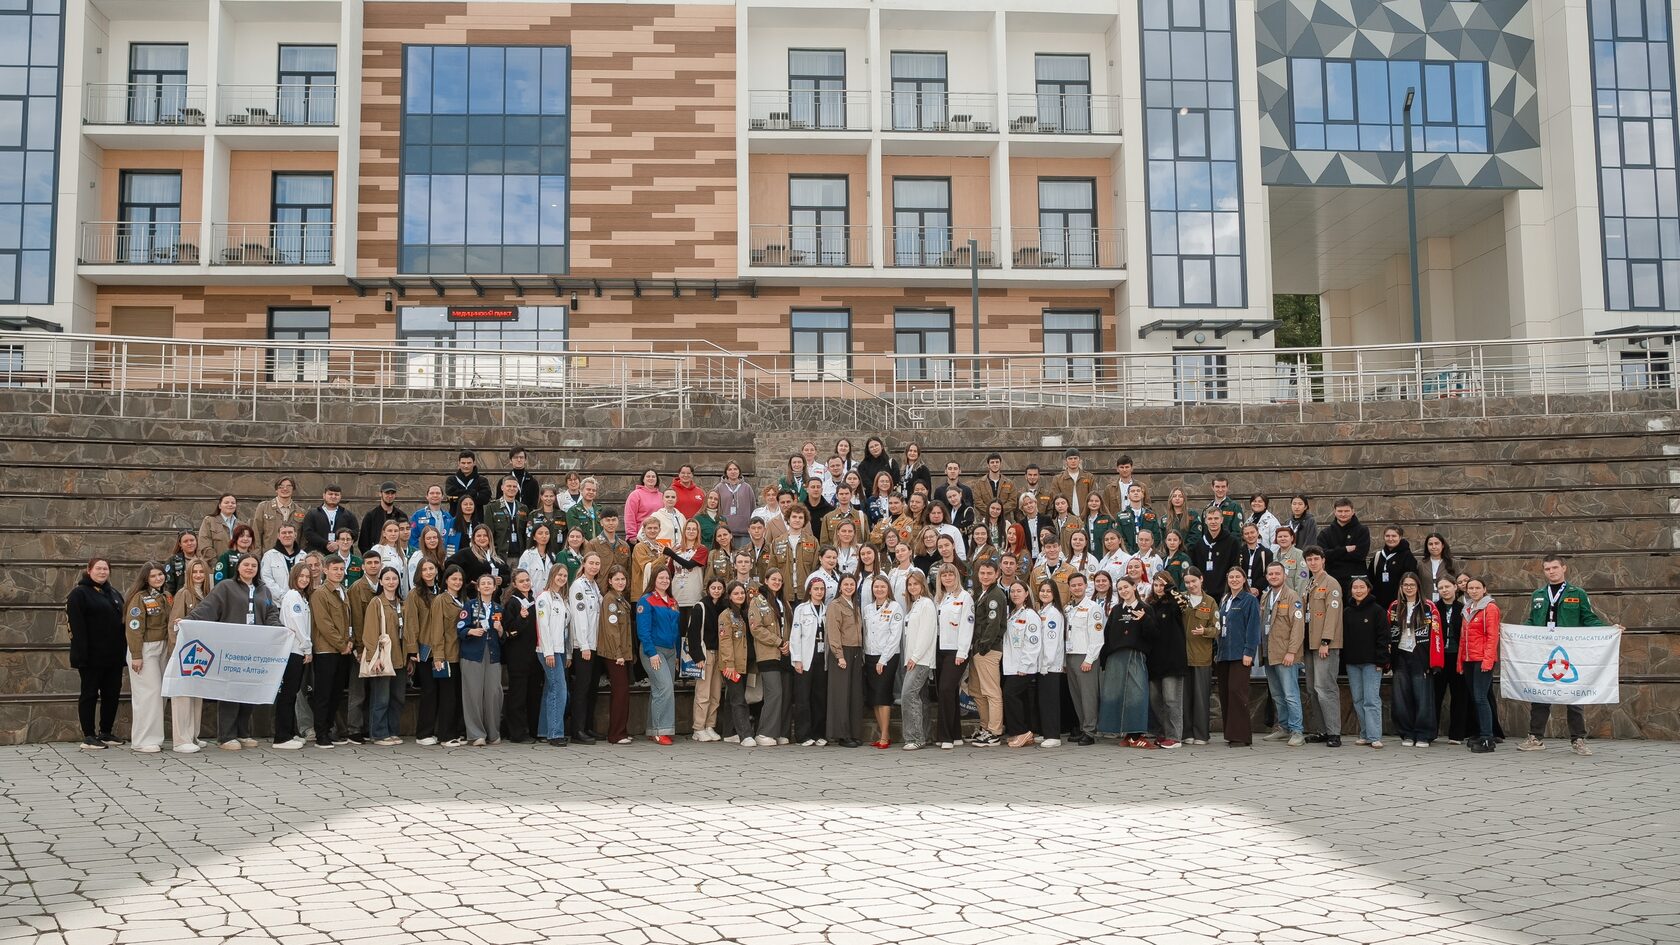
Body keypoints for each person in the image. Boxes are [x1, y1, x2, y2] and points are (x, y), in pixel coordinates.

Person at [1519, 555, 1623, 755]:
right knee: (1540, 693)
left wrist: (1609, 629)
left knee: (1574, 695)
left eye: (1555, 567)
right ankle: (1535, 738)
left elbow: (1589, 618)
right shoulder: (1538, 594)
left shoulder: (1578, 593)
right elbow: (1532, 620)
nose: (1551, 571)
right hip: (1544, 651)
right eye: (1547, 569)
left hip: (1571, 651)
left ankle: (1578, 740)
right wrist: (1515, 633)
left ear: (1564, 568)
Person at [186, 553, 283, 750]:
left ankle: (242, 733)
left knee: (248, 690)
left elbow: (271, 613)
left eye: (253, 565)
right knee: (230, 690)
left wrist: (279, 629)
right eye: (246, 564)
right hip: (232, 648)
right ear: (238, 567)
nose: (250, 568)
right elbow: (208, 607)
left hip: (254, 648)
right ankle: (226, 736)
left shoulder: (263, 590)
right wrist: (189, 621)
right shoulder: (226, 587)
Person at [1098, 575, 1155, 747]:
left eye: (1126, 587)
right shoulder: (1116, 610)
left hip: (1136, 655)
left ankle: (1136, 733)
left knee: (1137, 694)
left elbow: (1153, 635)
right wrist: (1104, 658)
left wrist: (1144, 620)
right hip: (1116, 657)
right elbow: (1108, 635)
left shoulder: (1145, 608)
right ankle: (1124, 733)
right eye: (1120, 589)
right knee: (1116, 694)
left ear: (1134, 587)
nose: (1124, 591)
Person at [1388, 572, 1443, 748]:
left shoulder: (1428, 607)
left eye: (1412, 584)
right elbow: (1388, 633)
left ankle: (1424, 734)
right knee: (1401, 697)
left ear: (1418, 586)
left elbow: (1436, 634)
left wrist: (1435, 661)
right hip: (1400, 655)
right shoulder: (1394, 607)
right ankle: (1407, 733)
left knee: (1423, 697)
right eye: (1406, 585)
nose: (1409, 588)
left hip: (1421, 656)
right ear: (1401, 587)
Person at [364, 566, 417, 747]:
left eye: (394, 578)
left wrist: (409, 657)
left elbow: (408, 632)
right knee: (381, 698)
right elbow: (370, 632)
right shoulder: (376, 603)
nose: (391, 582)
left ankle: (392, 731)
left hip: (400, 659)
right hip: (383, 658)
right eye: (387, 579)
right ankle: (379, 734)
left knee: (397, 698)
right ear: (380, 581)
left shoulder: (403, 604)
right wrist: (374, 657)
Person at [122, 562, 172, 753]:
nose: (158, 578)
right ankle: (143, 740)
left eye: (160, 574)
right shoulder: (139, 598)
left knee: (160, 694)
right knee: (148, 694)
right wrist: (136, 655)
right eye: (153, 576)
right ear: (145, 579)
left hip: (163, 647)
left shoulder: (166, 596)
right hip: (145, 649)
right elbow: (134, 628)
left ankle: (155, 737)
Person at [416, 565, 466, 747]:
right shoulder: (440, 600)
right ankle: (445, 735)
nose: (457, 582)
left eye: (460, 579)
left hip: (461, 654)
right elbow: (436, 630)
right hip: (446, 655)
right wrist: (438, 656)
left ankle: (455, 731)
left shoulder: (463, 600)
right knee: (447, 697)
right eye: (454, 579)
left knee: (456, 695)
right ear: (446, 580)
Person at [1257, 562, 1307, 747]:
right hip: (1269, 653)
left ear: (1284, 575)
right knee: (1277, 694)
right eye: (1270, 574)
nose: (1273, 576)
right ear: (1266, 576)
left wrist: (1292, 651)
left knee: (1290, 694)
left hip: (1286, 654)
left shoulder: (1292, 596)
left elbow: (1298, 627)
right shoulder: (1265, 596)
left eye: (1277, 573)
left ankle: (1297, 731)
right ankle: (1284, 728)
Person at [166, 558, 212, 752]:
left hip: (201, 652)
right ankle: (181, 739)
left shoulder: (209, 595)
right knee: (182, 696)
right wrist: (176, 651)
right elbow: (173, 625)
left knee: (196, 696)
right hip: (184, 652)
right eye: (195, 572)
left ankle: (193, 735)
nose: (198, 575)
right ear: (188, 574)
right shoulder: (183, 593)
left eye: (201, 572)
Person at [1301, 546, 1345, 747]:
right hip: (1310, 644)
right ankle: (1322, 731)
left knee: (1325, 688)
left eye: (1316, 559)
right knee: (1312, 689)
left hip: (1325, 645)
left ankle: (1334, 732)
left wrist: (1326, 641)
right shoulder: (1308, 584)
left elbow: (1333, 615)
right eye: (1309, 559)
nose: (1313, 562)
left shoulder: (1331, 583)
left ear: (1323, 560)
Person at [308, 555, 354, 748]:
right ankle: (321, 734)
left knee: (336, 693)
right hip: (326, 651)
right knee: (324, 694)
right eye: (335, 569)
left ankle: (328, 729)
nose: (339, 572)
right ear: (325, 570)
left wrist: (350, 642)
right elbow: (324, 625)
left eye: (341, 569)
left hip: (343, 650)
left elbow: (348, 621)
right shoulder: (320, 594)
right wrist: (342, 645)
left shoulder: (343, 591)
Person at [1215, 567, 1262, 747]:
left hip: (1240, 654)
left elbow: (1253, 627)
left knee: (1237, 692)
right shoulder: (1225, 599)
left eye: (1237, 577)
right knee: (1226, 693)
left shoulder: (1249, 600)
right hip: (1224, 654)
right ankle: (1231, 734)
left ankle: (1241, 736)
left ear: (1244, 580)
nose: (1234, 580)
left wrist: (1249, 652)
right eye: (1231, 577)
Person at [964, 561, 1008, 747]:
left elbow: (993, 624)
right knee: (977, 691)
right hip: (977, 650)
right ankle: (985, 727)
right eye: (982, 573)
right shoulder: (982, 593)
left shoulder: (995, 595)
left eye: (989, 573)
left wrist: (983, 647)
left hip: (988, 650)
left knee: (991, 691)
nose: (985, 576)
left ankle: (995, 732)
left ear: (997, 574)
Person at [459, 573, 505, 746]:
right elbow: (460, 628)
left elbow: (504, 637)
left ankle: (493, 732)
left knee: (494, 693)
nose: (486, 586)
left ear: (494, 587)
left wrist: (500, 630)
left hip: (492, 654)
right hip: (473, 654)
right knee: (473, 694)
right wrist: (471, 631)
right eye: (483, 583)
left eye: (489, 583)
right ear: (478, 587)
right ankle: (476, 734)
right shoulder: (469, 605)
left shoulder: (498, 608)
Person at [932, 562, 974, 749]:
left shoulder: (965, 597)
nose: (947, 578)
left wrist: (962, 652)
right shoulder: (939, 598)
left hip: (956, 651)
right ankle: (956, 734)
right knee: (949, 693)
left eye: (950, 574)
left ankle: (946, 737)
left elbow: (967, 626)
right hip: (939, 649)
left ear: (956, 577)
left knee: (946, 690)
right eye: (944, 575)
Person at [637, 569, 682, 745]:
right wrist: (652, 653)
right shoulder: (646, 600)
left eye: (667, 578)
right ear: (654, 580)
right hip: (654, 650)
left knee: (659, 689)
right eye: (661, 577)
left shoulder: (672, 601)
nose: (664, 580)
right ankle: (661, 730)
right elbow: (643, 630)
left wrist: (677, 654)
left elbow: (676, 630)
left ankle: (652, 729)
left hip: (670, 652)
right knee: (665, 688)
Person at [1342, 576, 1387, 747]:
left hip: (1372, 663)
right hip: (1352, 663)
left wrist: (1381, 661)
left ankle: (1375, 736)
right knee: (1358, 699)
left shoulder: (1377, 611)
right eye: (1355, 587)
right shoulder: (1347, 612)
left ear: (1368, 589)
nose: (1358, 590)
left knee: (1371, 699)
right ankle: (1365, 734)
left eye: (1362, 587)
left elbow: (1383, 637)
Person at [273, 563, 314, 750]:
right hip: (293, 650)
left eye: (307, 576)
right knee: (287, 695)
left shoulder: (301, 597)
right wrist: (307, 647)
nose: (304, 579)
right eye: (301, 576)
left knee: (292, 693)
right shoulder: (293, 596)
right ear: (294, 577)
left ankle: (290, 732)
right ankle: (282, 737)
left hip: (297, 650)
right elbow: (297, 625)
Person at [748, 570, 792, 745]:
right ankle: (765, 732)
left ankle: (781, 732)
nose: (777, 582)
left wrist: (787, 644)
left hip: (785, 653)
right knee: (775, 693)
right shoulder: (757, 601)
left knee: (786, 694)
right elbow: (756, 628)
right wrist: (778, 642)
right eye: (773, 579)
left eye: (780, 580)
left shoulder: (784, 602)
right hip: (768, 653)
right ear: (766, 581)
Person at [1147, 571, 1189, 749]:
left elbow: (1184, 605)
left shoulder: (1174, 602)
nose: (1158, 588)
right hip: (1154, 660)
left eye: (1162, 585)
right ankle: (1163, 732)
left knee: (1172, 700)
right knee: (1155, 699)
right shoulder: (1149, 605)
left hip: (1173, 658)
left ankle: (1174, 736)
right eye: (1156, 585)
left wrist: (1171, 590)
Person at [1061, 573, 1104, 746]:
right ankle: (1082, 726)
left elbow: (1097, 637)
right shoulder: (1068, 608)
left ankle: (1090, 731)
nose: (1077, 588)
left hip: (1085, 656)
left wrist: (1089, 659)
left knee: (1088, 696)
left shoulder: (1093, 608)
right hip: (1070, 655)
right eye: (1073, 585)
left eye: (1080, 584)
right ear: (1069, 587)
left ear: (1086, 586)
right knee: (1076, 695)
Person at [1460, 576, 1502, 753]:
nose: (1474, 591)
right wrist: (1460, 661)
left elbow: (1493, 636)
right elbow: (1463, 638)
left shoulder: (1490, 608)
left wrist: (1488, 660)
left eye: (1477, 588)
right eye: (1471, 588)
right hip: (1469, 659)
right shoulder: (1468, 608)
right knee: (1475, 698)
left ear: (1484, 589)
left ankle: (1487, 738)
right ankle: (1480, 733)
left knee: (1480, 698)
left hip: (1482, 659)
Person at [861, 575, 904, 749]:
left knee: (883, 694)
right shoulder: (867, 609)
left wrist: (883, 660)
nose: (879, 590)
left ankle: (885, 735)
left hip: (887, 657)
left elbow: (895, 637)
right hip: (870, 655)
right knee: (875, 697)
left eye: (882, 587)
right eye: (876, 587)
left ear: (888, 589)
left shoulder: (895, 607)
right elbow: (865, 634)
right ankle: (882, 733)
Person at [1000, 581, 1044, 749]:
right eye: (1012, 591)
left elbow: (1033, 642)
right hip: (1011, 665)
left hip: (1024, 666)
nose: (1015, 594)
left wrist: (1025, 665)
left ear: (1026, 594)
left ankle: (1021, 731)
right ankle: (1025, 733)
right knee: (1021, 698)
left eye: (1019, 591)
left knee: (1010, 694)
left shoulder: (1030, 615)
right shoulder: (1012, 613)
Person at [500, 569, 542, 744]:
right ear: (514, 584)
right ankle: (516, 733)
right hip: (518, 657)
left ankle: (534, 730)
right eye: (521, 581)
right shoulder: (513, 603)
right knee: (518, 696)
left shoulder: (534, 600)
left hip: (534, 656)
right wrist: (521, 618)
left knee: (533, 695)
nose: (525, 583)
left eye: (527, 580)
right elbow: (509, 631)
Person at [1178, 568, 1218, 745]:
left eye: (1193, 581)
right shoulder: (1180, 599)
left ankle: (1201, 734)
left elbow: (1217, 628)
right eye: (1187, 582)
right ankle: (1186, 732)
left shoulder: (1210, 602)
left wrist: (1205, 631)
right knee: (1184, 697)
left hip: (1202, 657)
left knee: (1201, 697)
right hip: (1182, 656)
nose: (1190, 585)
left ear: (1201, 579)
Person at [567, 555, 604, 745]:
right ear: (584, 564)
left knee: (592, 688)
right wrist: (584, 645)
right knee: (581, 689)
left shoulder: (595, 585)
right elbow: (579, 617)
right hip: (584, 646)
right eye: (591, 563)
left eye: (597, 564)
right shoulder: (578, 586)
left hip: (595, 645)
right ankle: (577, 730)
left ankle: (588, 726)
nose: (594, 566)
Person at [716, 582, 758, 746]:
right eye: (736, 593)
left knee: (732, 697)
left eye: (742, 593)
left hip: (745, 662)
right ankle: (745, 735)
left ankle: (729, 732)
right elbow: (725, 640)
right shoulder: (726, 615)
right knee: (739, 699)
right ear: (729, 596)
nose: (740, 596)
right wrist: (729, 664)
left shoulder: (746, 613)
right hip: (732, 664)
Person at [825, 572, 864, 747]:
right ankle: (842, 734)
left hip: (856, 651)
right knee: (841, 694)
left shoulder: (855, 605)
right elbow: (833, 632)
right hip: (842, 653)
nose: (849, 587)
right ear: (840, 587)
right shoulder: (835, 605)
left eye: (852, 584)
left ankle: (854, 732)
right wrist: (839, 655)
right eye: (846, 584)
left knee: (854, 694)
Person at [599, 566, 637, 745]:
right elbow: (612, 629)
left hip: (624, 653)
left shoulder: (621, 599)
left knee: (623, 693)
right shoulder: (610, 599)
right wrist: (618, 654)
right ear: (610, 581)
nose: (620, 582)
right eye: (617, 579)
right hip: (615, 654)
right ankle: (615, 734)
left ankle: (622, 731)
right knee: (620, 693)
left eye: (623, 579)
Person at [900, 569, 937, 751]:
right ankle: (926, 735)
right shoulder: (915, 604)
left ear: (923, 585)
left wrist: (914, 657)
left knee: (908, 695)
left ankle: (915, 737)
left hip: (921, 660)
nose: (912, 587)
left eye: (916, 583)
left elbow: (926, 634)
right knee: (921, 697)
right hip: (913, 659)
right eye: (910, 584)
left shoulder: (927, 604)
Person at [535, 569, 572, 747]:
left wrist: (568, 652)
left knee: (551, 688)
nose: (562, 578)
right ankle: (555, 734)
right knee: (559, 690)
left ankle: (544, 730)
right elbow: (543, 626)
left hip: (560, 648)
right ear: (552, 576)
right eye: (559, 575)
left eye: (565, 576)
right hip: (548, 650)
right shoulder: (544, 598)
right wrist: (548, 651)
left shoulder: (561, 598)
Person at [688, 578, 729, 741]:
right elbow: (692, 633)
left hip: (720, 654)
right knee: (703, 693)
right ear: (708, 589)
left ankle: (710, 725)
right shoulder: (700, 607)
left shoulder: (724, 607)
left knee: (715, 693)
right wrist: (698, 656)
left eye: (719, 588)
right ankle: (698, 727)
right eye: (713, 587)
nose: (716, 590)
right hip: (705, 654)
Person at [1433, 576, 1470, 745]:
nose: (1444, 590)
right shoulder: (1433, 609)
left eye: (1447, 586)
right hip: (1439, 657)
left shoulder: (1463, 609)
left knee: (1459, 696)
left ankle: (1457, 734)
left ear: (1455, 587)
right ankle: (1431, 731)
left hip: (1458, 656)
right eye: (1441, 588)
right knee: (1435, 695)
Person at [1033, 579, 1066, 749]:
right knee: (1043, 700)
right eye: (1042, 590)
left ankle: (1053, 735)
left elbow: (1051, 642)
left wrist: (1046, 663)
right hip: (1041, 664)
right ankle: (1045, 732)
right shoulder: (1042, 611)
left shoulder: (1053, 613)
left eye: (1048, 591)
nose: (1045, 594)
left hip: (1050, 665)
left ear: (1054, 594)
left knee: (1050, 701)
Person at [1317, 499, 1370, 598]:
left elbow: (1360, 555)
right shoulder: (1325, 533)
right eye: (1340, 511)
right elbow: (1323, 555)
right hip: (1333, 578)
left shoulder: (1362, 531)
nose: (1343, 514)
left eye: (1346, 511)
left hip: (1355, 580)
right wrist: (1345, 549)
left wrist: (1334, 554)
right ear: (1334, 512)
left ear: (1353, 511)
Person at [301, 484, 357, 556]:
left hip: (341, 554)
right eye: (330, 494)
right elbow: (308, 533)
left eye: (336, 494)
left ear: (340, 496)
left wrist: (338, 543)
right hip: (317, 554)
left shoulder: (349, 515)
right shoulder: (312, 514)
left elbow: (354, 533)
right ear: (324, 495)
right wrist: (326, 544)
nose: (333, 496)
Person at [448, 524, 507, 592]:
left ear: (490, 537)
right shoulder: (466, 553)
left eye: (485, 535)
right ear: (474, 538)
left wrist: (502, 580)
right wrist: (465, 583)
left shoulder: (497, 555)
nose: (482, 538)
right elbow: (449, 564)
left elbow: (507, 574)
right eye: (479, 536)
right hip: (472, 594)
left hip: (494, 595)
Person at [488, 477, 531, 562]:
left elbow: (526, 533)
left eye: (514, 486)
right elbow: (489, 533)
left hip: (520, 556)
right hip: (500, 556)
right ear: (502, 487)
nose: (512, 488)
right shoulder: (492, 507)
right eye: (509, 486)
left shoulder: (523, 508)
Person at [359, 482, 408, 555]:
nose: (390, 496)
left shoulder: (402, 515)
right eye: (387, 493)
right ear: (380, 494)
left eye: (392, 493)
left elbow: (405, 537)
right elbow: (363, 543)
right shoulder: (370, 516)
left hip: (397, 555)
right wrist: (372, 557)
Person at [409, 485, 460, 555]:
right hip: (424, 555)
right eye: (432, 493)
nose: (435, 495)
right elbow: (412, 537)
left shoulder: (448, 517)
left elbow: (452, 537)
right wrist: (422, 551)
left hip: (443, 554)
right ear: (427, 496)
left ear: (442, 497)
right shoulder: (418, 515)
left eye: (438, 493)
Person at [444, 450, 492, 523]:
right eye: (463, 463)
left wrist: (459, 495)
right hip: (455, 520)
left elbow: (485, 499)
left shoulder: (482, 480)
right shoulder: (451, 480)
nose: (466, 466)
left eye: (469, 463)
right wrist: (474, 493)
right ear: (458, 463)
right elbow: (450, 493)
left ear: (474, 463)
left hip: (477, 520)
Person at [714, 462, 756, 545]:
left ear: (739, 471)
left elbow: (753, 508)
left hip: (744, 531)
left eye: (735, 469)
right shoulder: (719, 488)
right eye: (730, 469)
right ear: (726, 472)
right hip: (725, 531)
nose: (733, 472)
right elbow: (714, 506)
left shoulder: (747, 487)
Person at [1194, 510, 1238, 584]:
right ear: (1205, 521)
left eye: (1216, 518)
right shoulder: (1199, 544)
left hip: (1225, 588)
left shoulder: (1232, 542)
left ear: (1222, 520)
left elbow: (1235, 568)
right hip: (1204, 588)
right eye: (1210, 519)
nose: (1213, 522)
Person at [196, 494, 241, 562]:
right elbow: (204, 545)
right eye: (226, 502)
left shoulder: (241, 524)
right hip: (216, 564)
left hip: (237, 564)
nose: (230, 505)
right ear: (220, 506)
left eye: (233, 503)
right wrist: (216, 563)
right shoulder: (209, 521)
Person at [623, 469, 664, 543]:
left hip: (659, 537)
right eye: (648, 476)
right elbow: (630, 516)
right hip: (640, 537)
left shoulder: (662, 496)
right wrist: (631, 535)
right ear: (643, 479)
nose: (651, 478)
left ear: (657, 479)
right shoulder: (635, 495)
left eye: (653, 476)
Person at [1417, 533, 1459, 599]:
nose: (1434, 547)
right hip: (1426, 601)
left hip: (1447, 600)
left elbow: (1457, 583)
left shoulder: (1453, 563)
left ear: (1442, 545)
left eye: (1436, 543)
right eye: (1430, 544)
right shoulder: (1421, 564)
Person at [163, 530, 201, 594]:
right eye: (185, 541)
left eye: (192, 540)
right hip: (180, 596)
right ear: (180, 544)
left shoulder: (203, 559)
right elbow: (168, 585)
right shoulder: (173, 561)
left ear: (196, 541)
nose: (189, 543)